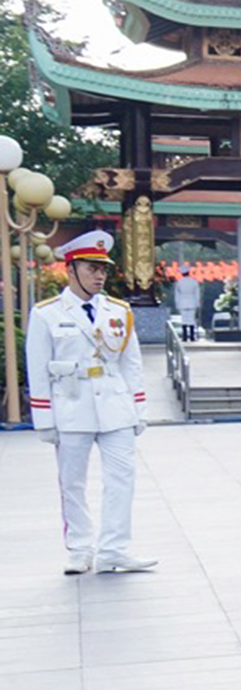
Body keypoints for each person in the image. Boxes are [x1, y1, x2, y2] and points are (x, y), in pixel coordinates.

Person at [27, 230, 155, 574]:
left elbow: (131, 362)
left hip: (115, 406)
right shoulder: (47, 314)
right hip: (71, 406)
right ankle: (80, 548)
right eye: (91, 268)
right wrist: (44, 419)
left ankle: (114, 549)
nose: (100, 275)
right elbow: (37, 369)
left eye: (103, 269)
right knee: (72, 482)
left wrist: (138, 407)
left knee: (121, 479)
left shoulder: (118, 310)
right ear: (71, 269)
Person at [172, 263, 202, 341]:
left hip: (182, 302)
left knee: (184, 320)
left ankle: (185, 337)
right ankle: (192, 336)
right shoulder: (194, 282)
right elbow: (197, 294)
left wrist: (177, 303)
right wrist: (197, 303)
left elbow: (177, 295)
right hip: (192, 302)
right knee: (191, 319)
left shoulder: (179, 282)